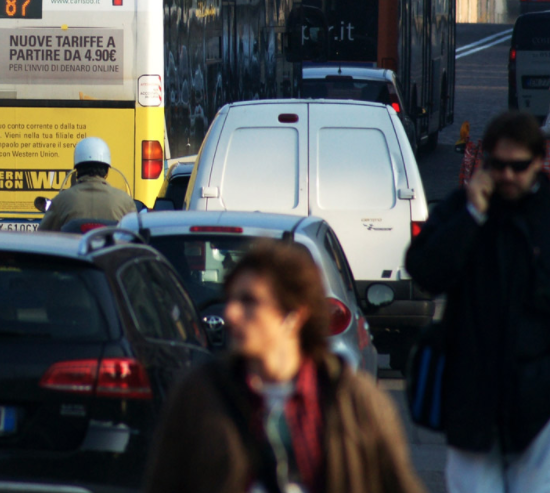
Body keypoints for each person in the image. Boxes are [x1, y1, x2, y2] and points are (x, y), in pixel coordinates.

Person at [145, 240, 426, 493]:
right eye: (230, 299)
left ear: (294, 316)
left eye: (249, 302)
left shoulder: (353, 401)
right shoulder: (200, 394)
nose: (230, 314)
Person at [406, 111, 550, 493]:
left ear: (538, 161)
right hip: (473, 394)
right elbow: (424, 271)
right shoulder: (462, 207)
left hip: (538, 400)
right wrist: (472, 215)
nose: (506, 176)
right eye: (497, 165)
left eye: (517, 166)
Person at [37, 137, 137, 231]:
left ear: (77, 169)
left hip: (74, 249)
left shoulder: (61, 200)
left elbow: (43, 237)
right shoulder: (124, 201)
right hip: (111, 250)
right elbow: (136, 238)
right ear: (107, 170)